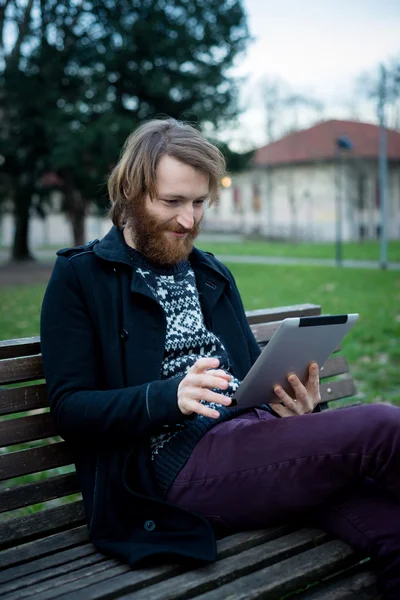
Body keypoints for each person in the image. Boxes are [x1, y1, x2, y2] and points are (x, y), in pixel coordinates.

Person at [40, 118, 400, 599]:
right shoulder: (82, 277)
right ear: (129, 192)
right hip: (170, 472)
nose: (188, 221)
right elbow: (70, 407)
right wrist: (168, 397)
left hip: (252, 447)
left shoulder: (211, 272)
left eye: (198, 203)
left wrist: (290, 406)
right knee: (381, 426)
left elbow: (252, 375)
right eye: (171, 202)